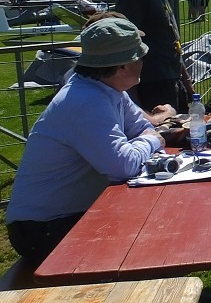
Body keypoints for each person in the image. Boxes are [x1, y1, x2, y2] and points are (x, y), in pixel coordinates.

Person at [4, 17, 166, 265]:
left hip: (60, 217)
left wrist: (146, 139)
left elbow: (141, 128)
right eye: (139, 57)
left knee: (150, 216)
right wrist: (152, 141)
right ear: (122, 66)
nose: (143, 62)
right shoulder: (85, 101)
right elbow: (123, 164)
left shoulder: (105, 89)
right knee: (147, 230)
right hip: (43, 228)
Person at [116, 0, 193, 112]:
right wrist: (136, 105)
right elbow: (125, 46)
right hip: (152, 86)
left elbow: (169, 39)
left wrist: (186, 81)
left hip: (169, 79)